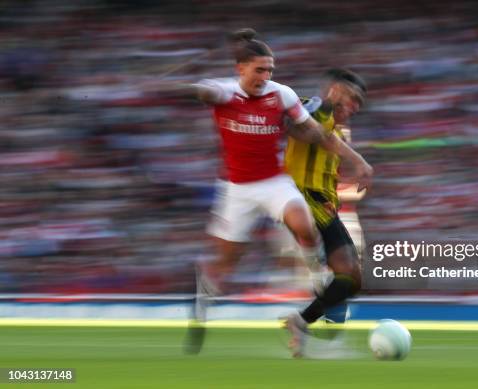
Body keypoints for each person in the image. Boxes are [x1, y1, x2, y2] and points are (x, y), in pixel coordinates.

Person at [150, 29, 373, 353]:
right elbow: (206, 92)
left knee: (327, 249)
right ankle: (205, 296)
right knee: (226, 264)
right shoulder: (236, 94)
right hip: (242, 190)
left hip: (283, 186)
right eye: (260, 69)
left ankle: (311, 298)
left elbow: (314, 133)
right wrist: (176, 87)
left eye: (269, 70)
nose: (266, 76)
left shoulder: (287, 98)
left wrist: (356, 160)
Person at [282, 68, 369, 357]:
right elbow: (294, 126)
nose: (355, 107)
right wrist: (356, 160)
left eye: (359, 104)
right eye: (352, 99)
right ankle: (313, 311)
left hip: (324, 205)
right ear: (334, 90)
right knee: (348, 272)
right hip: (304, 198)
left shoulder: (339, 129)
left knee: (352, 278)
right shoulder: (316, 107)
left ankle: (303, 319)